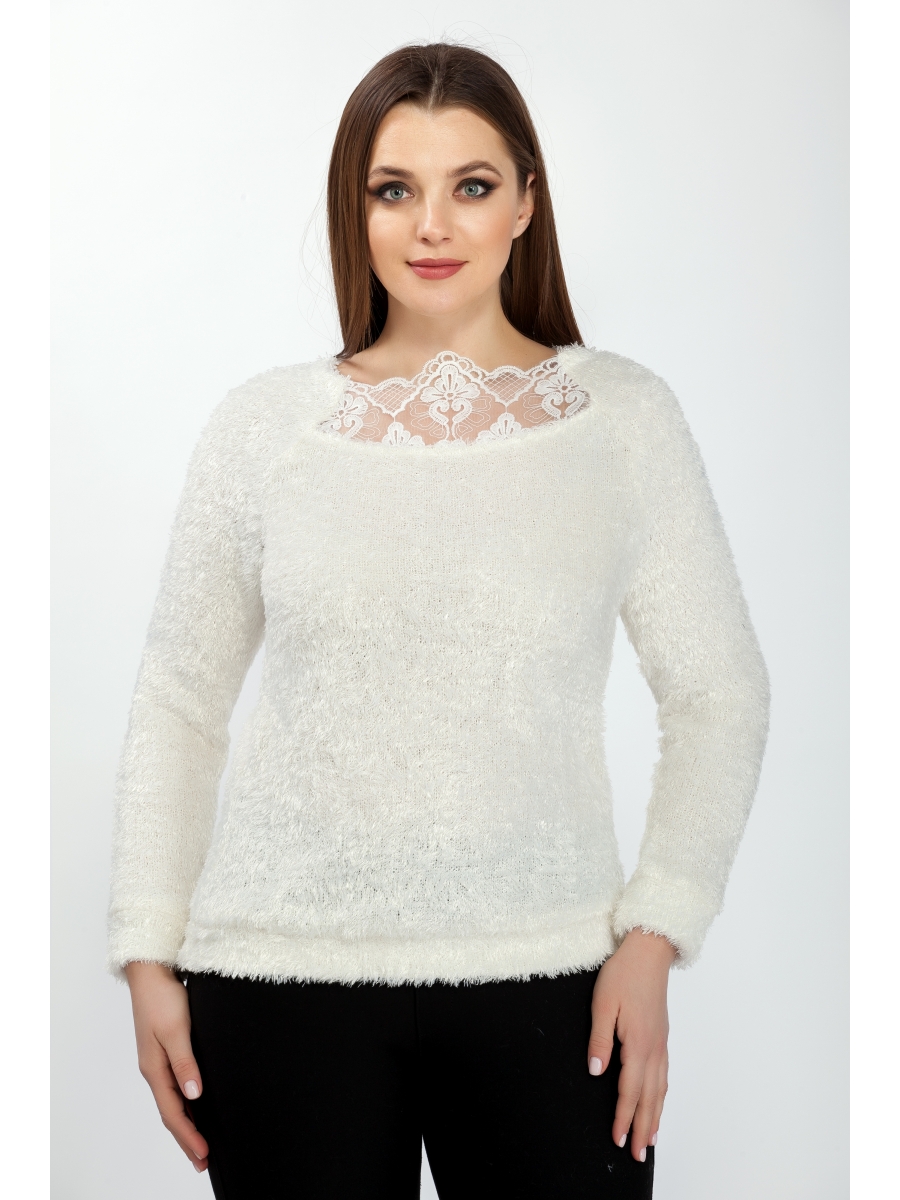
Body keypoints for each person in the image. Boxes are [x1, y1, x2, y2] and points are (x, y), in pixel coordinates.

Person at [108, 42, 770, 1199]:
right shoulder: (263, 428)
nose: (432, 225)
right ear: (354, 209)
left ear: (526, 201)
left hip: (554, 981)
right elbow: (179, 700)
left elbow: (720, 693)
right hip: (280, 981)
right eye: (393, 189)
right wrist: (148, 954)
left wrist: (656, 931)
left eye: (470, 184)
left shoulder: (622, 421)